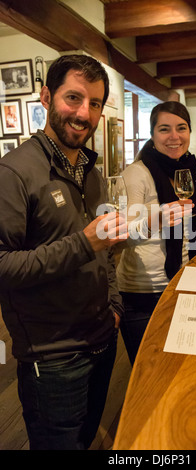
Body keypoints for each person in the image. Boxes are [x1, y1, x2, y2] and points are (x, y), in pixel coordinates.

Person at [0, 54, 128, 450]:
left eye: (94, 103)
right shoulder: (14, 172)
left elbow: (103, 248)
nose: (83, 113)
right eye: (73, 98)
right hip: (53, 357)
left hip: (102, 336)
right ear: (45, 96)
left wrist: (116, 304)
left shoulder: (90, 169)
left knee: (86, 440)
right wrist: (82, 243)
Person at [116, 101, 196, 365]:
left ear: (189, 132)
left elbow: (190, 226)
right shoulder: (136, 174)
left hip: (182, 281)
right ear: (152, 135)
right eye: (164, 129)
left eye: (181, 128)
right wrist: (157, 220)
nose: (174, 136)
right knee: (149, 372)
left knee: (177, 366)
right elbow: (121, 236)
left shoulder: (186, 169)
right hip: (144, 292)